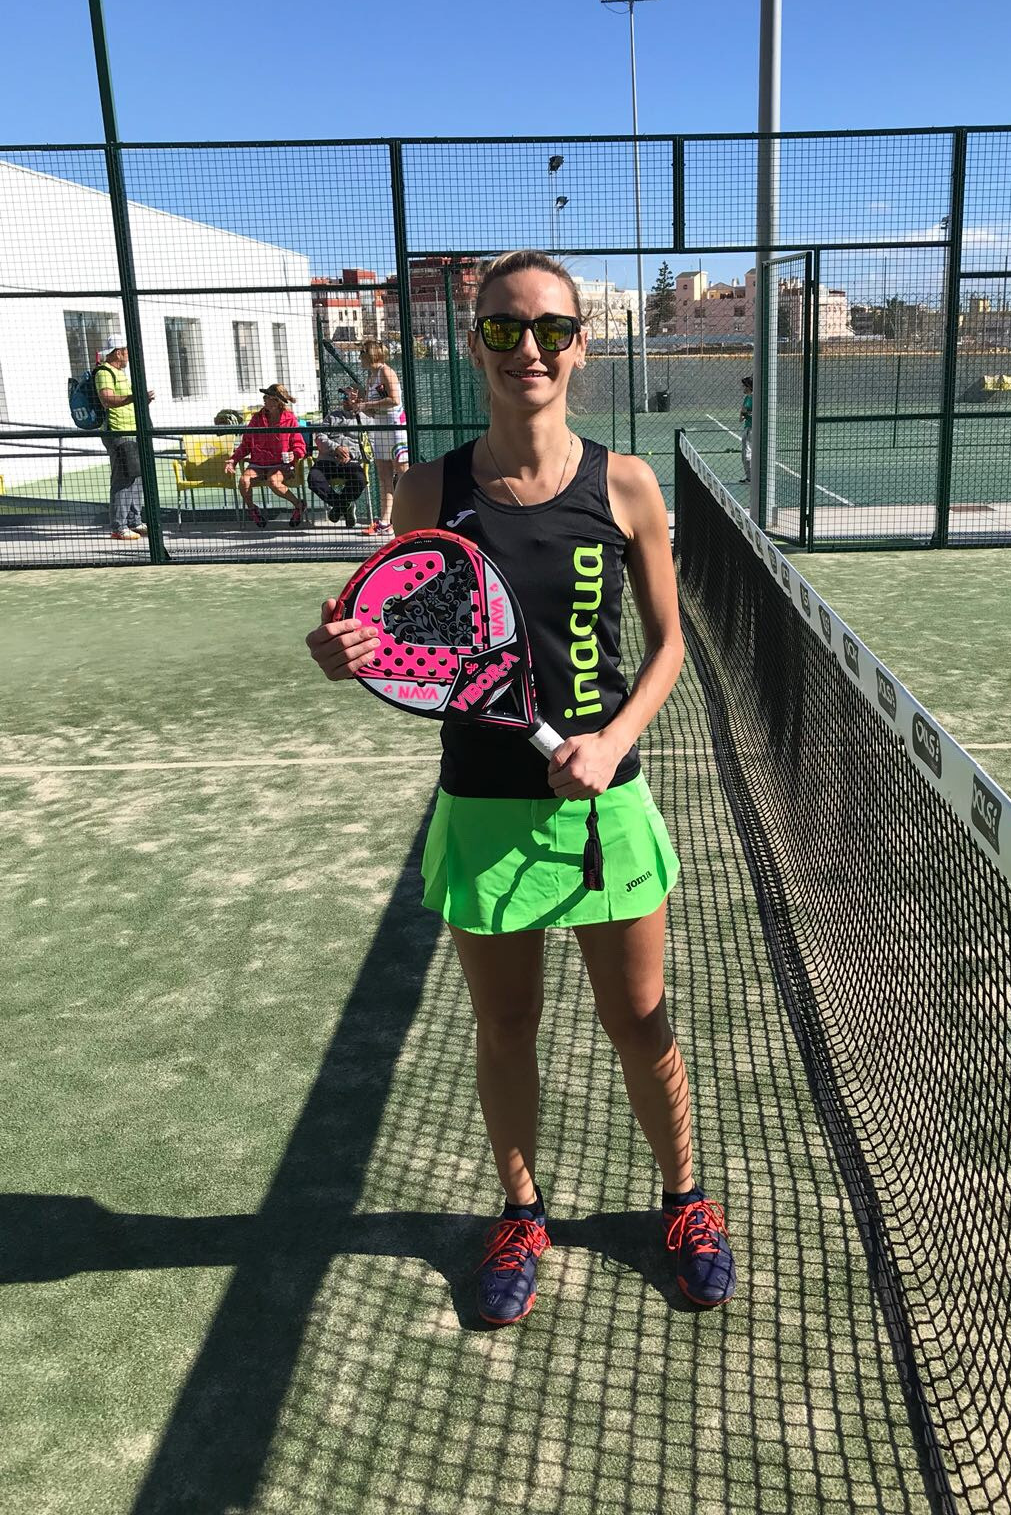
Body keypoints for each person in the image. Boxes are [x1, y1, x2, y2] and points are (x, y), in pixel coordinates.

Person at [306, 251, 736, 1325]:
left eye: (550, 328)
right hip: (484, 807)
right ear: (475, 345)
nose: (528, 348)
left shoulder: (627, 485)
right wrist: (347, 650)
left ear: (582, 344)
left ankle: (685, 1199)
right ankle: (522, 1212)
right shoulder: (426, 492)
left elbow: (670, 645)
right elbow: (412, 636)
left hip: (606, 808)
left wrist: (613, 739)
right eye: (504, 328)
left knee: (641, 1020)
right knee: (506, 1027)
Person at [95, 335, 154, 542]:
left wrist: (141, 400)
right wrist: (133, 398)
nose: (129, 355)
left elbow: (127, 400)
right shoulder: (104, 372)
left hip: (133, 431)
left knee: (136, 477)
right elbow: (107, 399)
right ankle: (119, 527)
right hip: (119, 432)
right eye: (126, 351)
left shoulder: (120, 373)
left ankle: (134, 521)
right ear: (118, 353)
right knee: (123, 479)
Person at [225, 384, 308, 529]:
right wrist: (233, 460)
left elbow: (299, 445)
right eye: (264, 397)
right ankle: (253, 509)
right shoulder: (256, 419)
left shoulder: (290, 419)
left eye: (268, 397)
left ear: (277, 401)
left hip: (281, 465)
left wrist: (294, 454)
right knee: (244, 481)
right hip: (258, 464)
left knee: (273, 481)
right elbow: (245, 445)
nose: (264, 400)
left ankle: (299, 505)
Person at [354, 340, 407, 538]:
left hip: (394, 427)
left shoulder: (386, 371)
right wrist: (360, 406)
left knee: (403, 473)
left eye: (362, 354)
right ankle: (385, 522)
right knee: (384, 475)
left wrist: (368, 404)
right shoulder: (371, 377)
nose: (359, 358)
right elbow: (373, 408)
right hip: (379, 428)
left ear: (370, 354)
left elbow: (394, 400)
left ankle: (408, 516)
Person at [308, 392, 369, 527]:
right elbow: (319, 436)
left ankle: (339, 507)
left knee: (360, 479)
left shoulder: (366, 420)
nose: (344, 400)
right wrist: (335, 448)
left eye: (348, 397)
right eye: (343, 397)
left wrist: (350, 455)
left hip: (350, 462)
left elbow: (369, 448)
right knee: (313, 478)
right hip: (327, 460)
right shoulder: (332, 416)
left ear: (359, 399)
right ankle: (344, 505)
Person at [739, 374, 753, 482]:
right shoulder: (747, 398)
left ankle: (751, 477)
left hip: (752, 428)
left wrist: (747, 412)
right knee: (744, 454)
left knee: (748, 453)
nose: (743, 388)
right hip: (747, 427)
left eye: (744, 386)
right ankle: (749, 476)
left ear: (749, 387)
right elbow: (742, 414)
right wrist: (743, 413)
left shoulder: (755, 398)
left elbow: (754, 413)